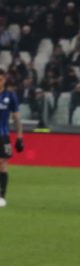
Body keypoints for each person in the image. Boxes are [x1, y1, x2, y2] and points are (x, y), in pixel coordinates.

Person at [0, 68, 25, 208]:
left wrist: (20, 137)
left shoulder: (10, 96)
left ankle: (2, 196)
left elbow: (16, 117)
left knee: (3, 163)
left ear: (4, 80)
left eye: (1, 79)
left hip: (3, 135)